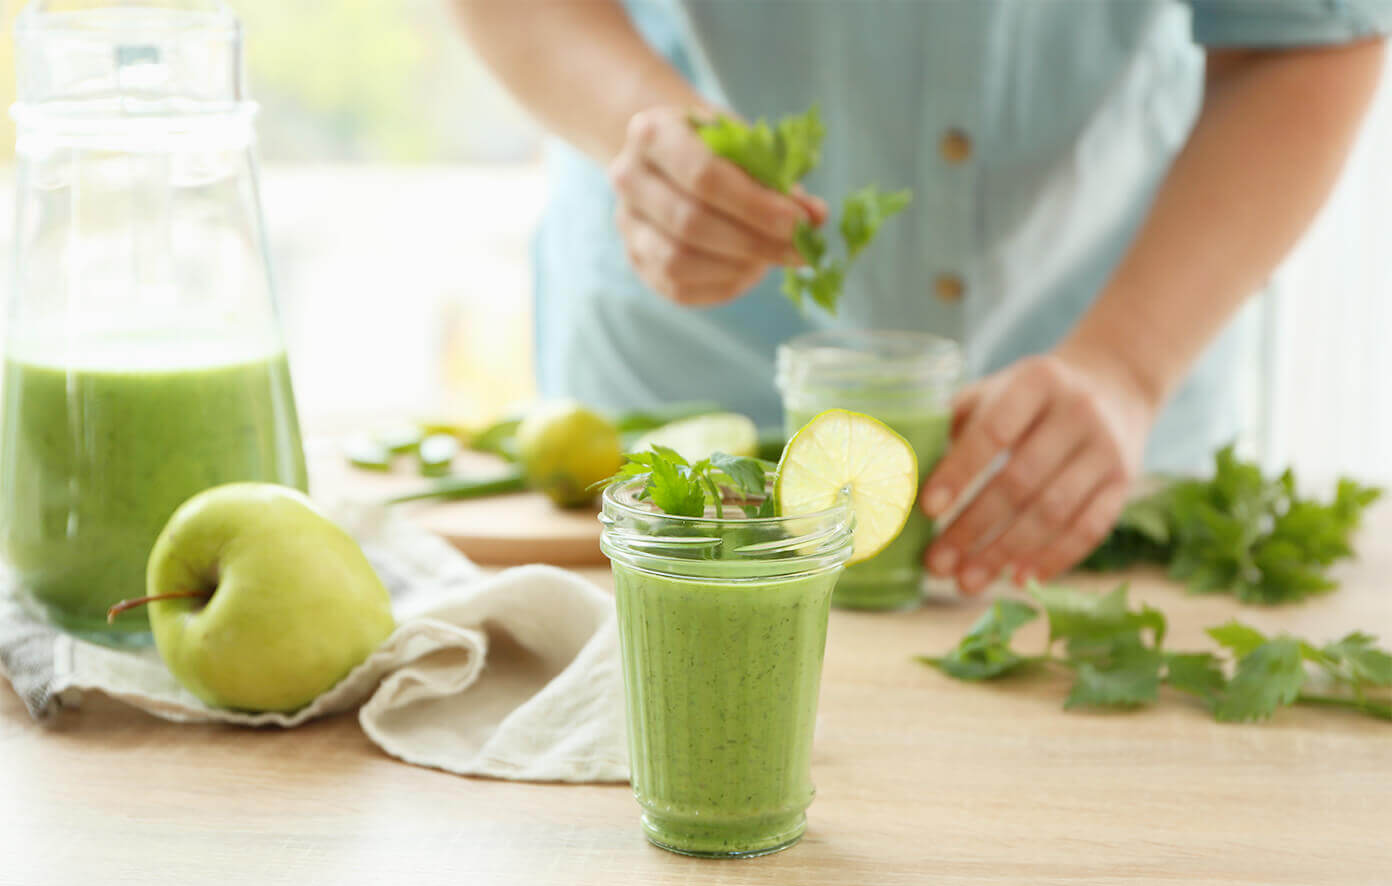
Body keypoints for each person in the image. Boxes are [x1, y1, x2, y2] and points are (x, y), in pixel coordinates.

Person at [456, 0, 1389, 593]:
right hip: (684, 377)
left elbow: (1308, 36)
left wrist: (1128, 362)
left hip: (1097, 430)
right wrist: (640, 123)